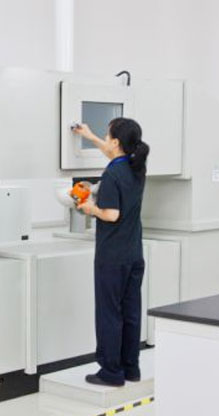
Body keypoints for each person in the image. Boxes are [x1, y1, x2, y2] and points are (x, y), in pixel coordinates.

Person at [72, 118, 149, 387]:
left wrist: (89, 208)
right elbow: (112, 153)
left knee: (109, 313)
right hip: (133, 253)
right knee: (130, 312)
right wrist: (90, 136)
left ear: (116, 141)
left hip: (112, 256)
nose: (105, 140)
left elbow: (111, 214)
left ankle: (111, 372)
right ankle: (130, 368)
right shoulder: (136, 167)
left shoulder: (112, 175)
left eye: (107, 136)